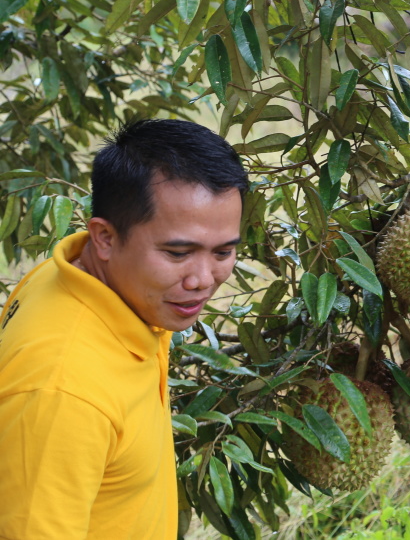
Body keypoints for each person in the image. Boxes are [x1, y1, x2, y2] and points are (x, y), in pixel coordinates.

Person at [0, 119, 248, 539]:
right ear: (104, 238)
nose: (203, 279)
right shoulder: (63, 392)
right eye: (178, 253)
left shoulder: (91, 281)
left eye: (223, 252)